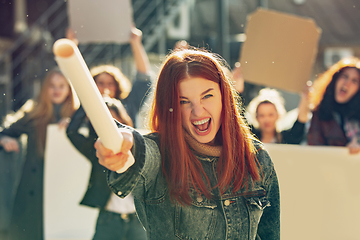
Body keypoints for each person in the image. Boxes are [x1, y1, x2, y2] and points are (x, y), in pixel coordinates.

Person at [95, 49, 280, 240]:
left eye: (207, 96)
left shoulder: (256, 156)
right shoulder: (160, 156)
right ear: (170, 107)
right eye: (183, 102)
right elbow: (141, 153)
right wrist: (124, 144)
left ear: (224, 96)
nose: (198, 111)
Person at [0, 68, 78, 240]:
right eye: (52, 85)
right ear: (44, 89)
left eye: (61, 85)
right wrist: (4, 139)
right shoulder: (33, 115)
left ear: (69, 89)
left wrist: (74, 126)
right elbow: (5, 132)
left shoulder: (79, 116)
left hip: (66, 185)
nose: (56, 90)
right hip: (35, 187)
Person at [66, 97, 146, 240]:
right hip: (108, 219)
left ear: (122, 120)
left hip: (138, 219)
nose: (109, 127)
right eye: (103, 123)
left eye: (113, 121)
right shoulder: (95, 149)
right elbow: (72, 132)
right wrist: (88, 99)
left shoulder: (138, 146)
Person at [67, 26, 152, 126]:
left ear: (117, 87)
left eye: (110, 84)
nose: (105, 87)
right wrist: (71, 47)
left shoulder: (129, 104)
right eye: (101, 83)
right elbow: (75, 76)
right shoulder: (85, 107)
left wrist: (136, 43)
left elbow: (144, 77)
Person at [308, 57, 360, 154]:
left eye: (354, 81)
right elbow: (314, 150)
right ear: (335, 79)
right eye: (344, 76)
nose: (347, 83)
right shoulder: (319, 113)